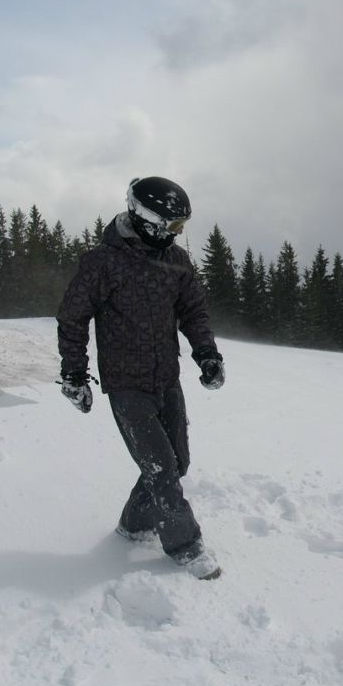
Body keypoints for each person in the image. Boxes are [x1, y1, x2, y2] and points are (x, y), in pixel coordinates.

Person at [56, 176, 225, 580]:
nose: (177, 233)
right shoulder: (102, 263)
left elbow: (193, 311)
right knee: (161, 468)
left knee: (177, 462)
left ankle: (133, 524)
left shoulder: (176, 261)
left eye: (182, 226)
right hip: (126, 384)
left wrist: (207, 354)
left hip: (166, 377)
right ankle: (185, 546)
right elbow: (72, 318)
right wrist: (74, 374)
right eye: (173, 226)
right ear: (147, 220)